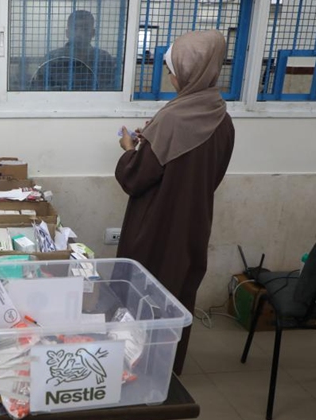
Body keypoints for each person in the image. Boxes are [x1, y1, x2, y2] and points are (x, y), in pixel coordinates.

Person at [115, 30, 235, 375]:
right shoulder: (221, 117)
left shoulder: (171, 119)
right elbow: (212, 172)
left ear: (187, 71)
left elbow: (135, 178)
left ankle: (135, 368)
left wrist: (130, 149)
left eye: (171, 67)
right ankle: (167, 367)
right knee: (178, 290)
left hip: (156, 225)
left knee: (145, 292)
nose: (170, 74)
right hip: (194, 222)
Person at [30, 10, 117, 91]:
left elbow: (110, 90)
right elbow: (40, 89)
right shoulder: (52, 58)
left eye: (85, 29)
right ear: (67, 33)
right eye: (75, 28)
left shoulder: (104, 59)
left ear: (93, 33)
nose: (79, 33)